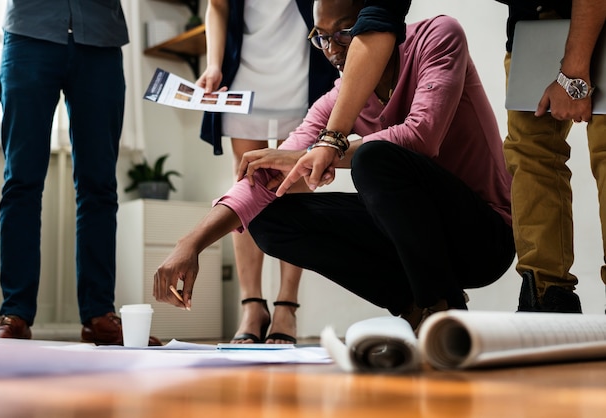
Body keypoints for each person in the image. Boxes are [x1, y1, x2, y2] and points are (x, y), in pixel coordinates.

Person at [153, 0, 516, 333]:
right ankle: (414, 307)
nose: (331, 50)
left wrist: (328, 152)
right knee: (266, 219)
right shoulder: (337, 99)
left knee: (374, 160)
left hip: (482, 239)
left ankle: (443, 308)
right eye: (321, 37)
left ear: (376, 22)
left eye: (343, 33)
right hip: (412, 245)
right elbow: (265, 178)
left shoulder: (437, 36)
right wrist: (191, 244)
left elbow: (422, 136)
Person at [0, 0, 161, 346]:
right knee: (21, 181)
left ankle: (98, 314)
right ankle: (15, 314)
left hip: (101, 39)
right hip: (29, 32)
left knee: (99, 186)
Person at [196, 0, 338, 344]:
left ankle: (287, 305)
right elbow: (216, 6)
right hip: (244, 73)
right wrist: (214, 64)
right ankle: (252, 305)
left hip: (304, 67)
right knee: (246, 181)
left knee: (299, 180)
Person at [494, 0, 606, 312]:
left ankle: (546, 294)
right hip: (532, 24)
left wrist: (572, 74)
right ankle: (545, 298)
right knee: (529, 153)